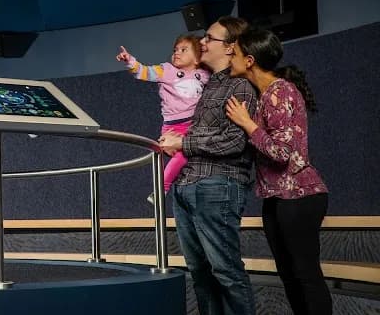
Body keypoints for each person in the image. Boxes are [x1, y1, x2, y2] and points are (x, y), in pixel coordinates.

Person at [225, 28, 331, 315]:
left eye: (232, 53)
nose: (228, 56)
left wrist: (248, 124)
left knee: (305, 275)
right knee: (289, 275)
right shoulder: (264, 96)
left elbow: (282, 154)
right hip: (276, 197)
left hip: (299, 195)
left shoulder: (280, 91)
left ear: (249, 60)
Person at [159, 16, 257, 315]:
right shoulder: (208, 85)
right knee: (200, 274)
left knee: (225, 271)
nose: (202, 42)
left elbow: (234, 142)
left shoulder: (239, 86)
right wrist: (174, 141)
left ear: (230, 48)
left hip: (216, 187)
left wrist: (182, 144)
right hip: (187, 187)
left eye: (209, 39)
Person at [116, 34, 209, 201]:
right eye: (175, 50)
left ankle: (181, 187)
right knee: (184, 155)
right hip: (174, 127)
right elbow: (144, 72)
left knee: (188, 156)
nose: (177, 53)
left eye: (183, 49)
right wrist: (129, 61)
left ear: (197, 58)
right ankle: (161, 188)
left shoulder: (203, 74)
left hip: (193, 125)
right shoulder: (167, 70)